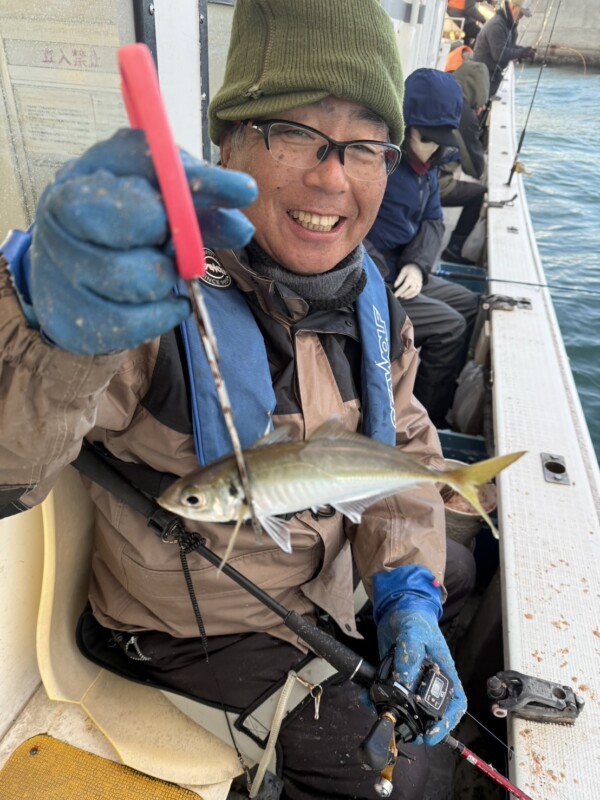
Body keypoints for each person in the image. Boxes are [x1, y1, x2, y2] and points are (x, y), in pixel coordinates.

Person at [0, 2, 476, 798]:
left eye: (364, 145)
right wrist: (51, 330)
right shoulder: (150, 302)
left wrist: (407, 595)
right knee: (408, 776)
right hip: (196, 630)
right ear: (229, 141)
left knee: (462, 565)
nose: (331, 175)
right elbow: (9, 464)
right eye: (295, 132)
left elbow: (408, 444)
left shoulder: (369, 300)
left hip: (318, 588)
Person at [367, 68, 480, 429]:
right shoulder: (379, 163)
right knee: (450, 326)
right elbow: (356, 235)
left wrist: (417, 265)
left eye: (439, 138)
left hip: (408, 270)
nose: (431, 145)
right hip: (378, 279)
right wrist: (387, 276)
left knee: (471, 305)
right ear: (405, 125)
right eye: (424, 136)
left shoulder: (429, 166)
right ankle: (423, 420)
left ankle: (441, 398)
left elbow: (433, 220)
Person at [440, 60, 490, 263]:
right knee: (478, 195)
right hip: (436, 184)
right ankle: (454, 248)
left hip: (416, 174)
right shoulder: (466, 116)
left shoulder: (442, 97)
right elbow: (475, 169)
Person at [472, 0, 536, 97]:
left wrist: (524, 51)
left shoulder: (510, 26)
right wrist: (521, 53)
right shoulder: (496, 25)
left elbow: (509, 47)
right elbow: (499, 54)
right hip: (482, 78)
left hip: (492, 77)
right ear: (513, 7)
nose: (521, 16)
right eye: (521, 13)